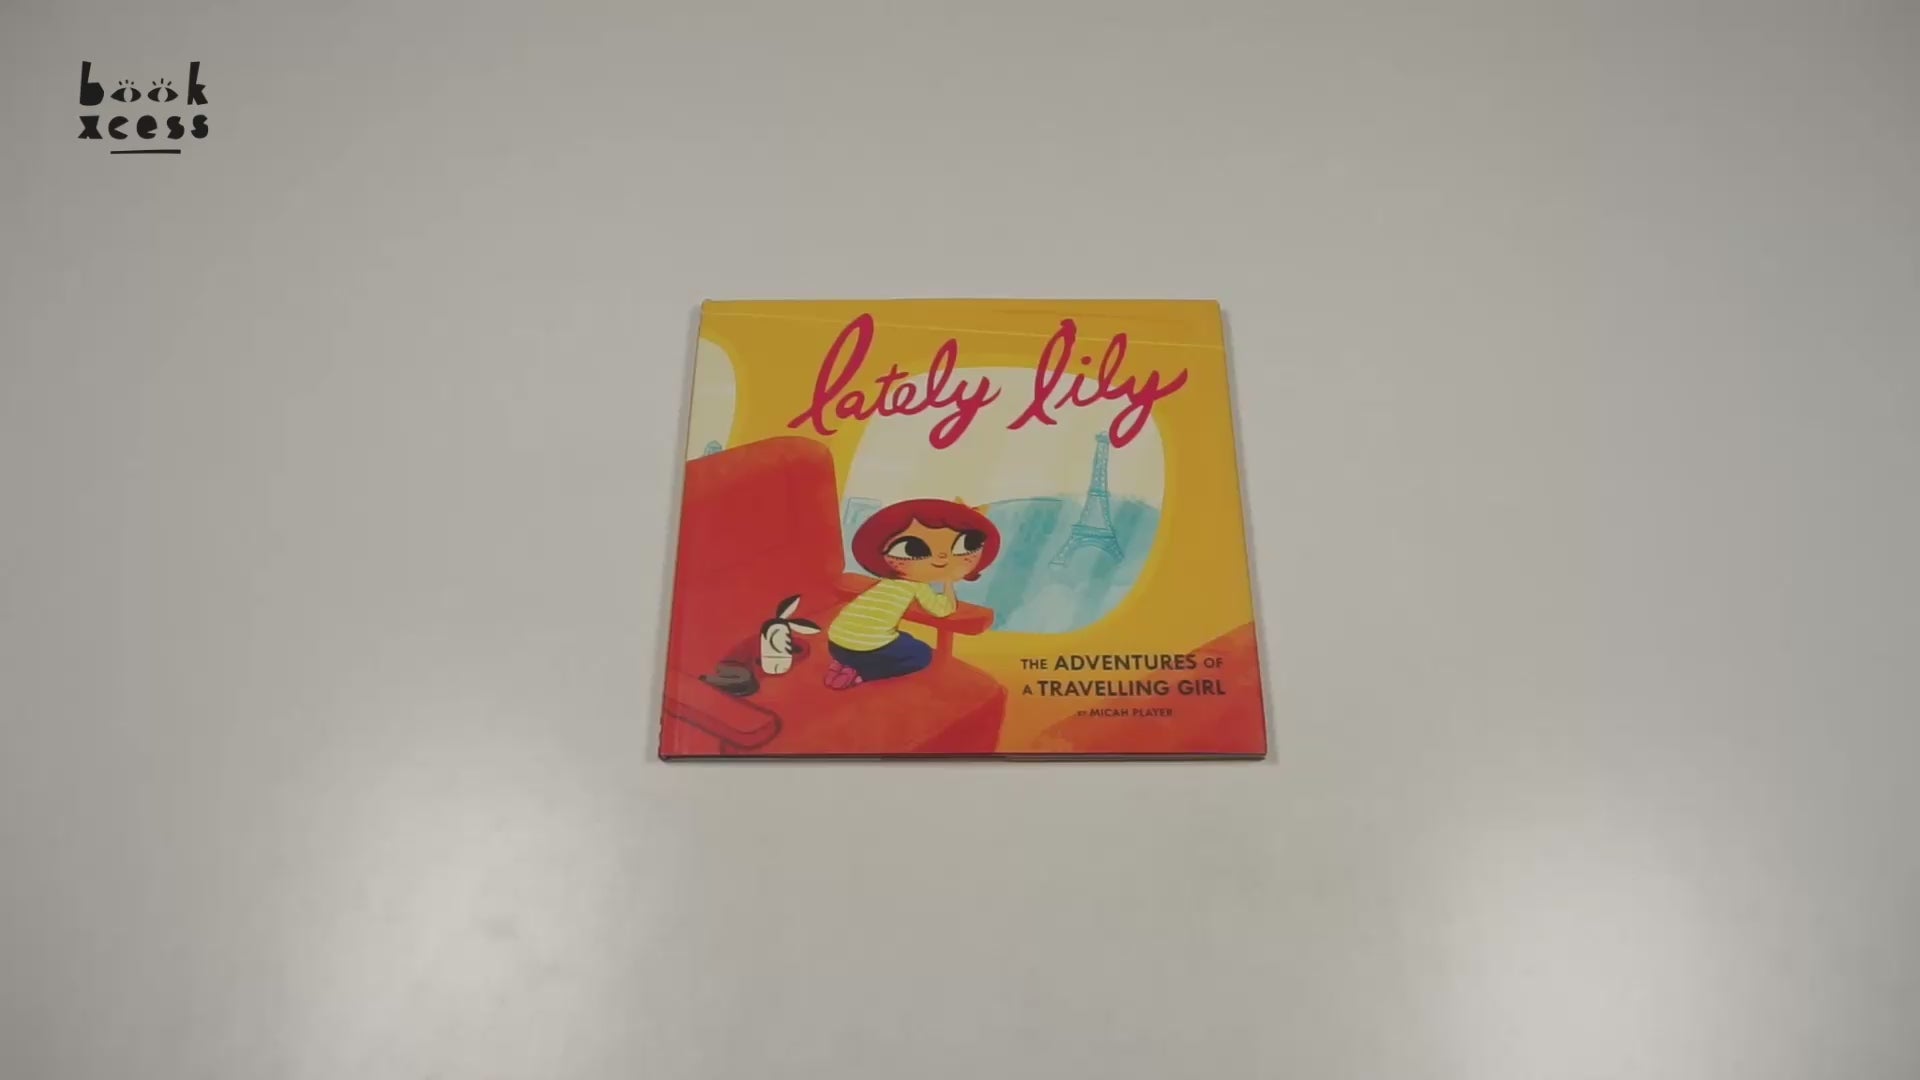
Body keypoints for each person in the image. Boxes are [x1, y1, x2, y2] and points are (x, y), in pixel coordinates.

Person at [825, 498, 1001, 689]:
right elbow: (942, 610)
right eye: (913, 549)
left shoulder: (884, 584)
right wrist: (948, 583)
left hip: (835, 643)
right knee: (921, 655)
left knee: (904, 639)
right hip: (868, 650)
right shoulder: (916, 585)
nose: (941, 558)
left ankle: (842, 664)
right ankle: (862, 675)